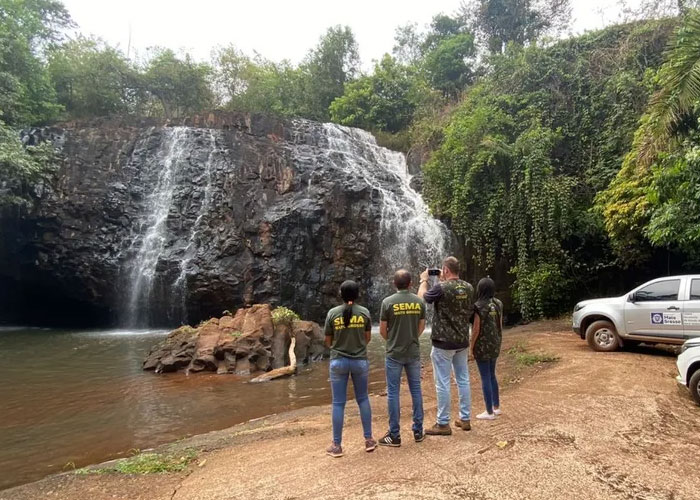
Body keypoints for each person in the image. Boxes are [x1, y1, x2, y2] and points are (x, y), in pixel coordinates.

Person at [418, 256, 474, 435]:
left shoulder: (441, 288)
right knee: (463, 379)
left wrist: (424, 280)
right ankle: (465, 418)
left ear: (446, 270)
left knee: (442, 382)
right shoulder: (469, 287)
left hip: (443, 342)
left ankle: (443, 423)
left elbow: (421, 299)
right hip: (462, 340)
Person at [324, 280, 376, 458]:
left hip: (338, 362)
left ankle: (336, 446)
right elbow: (367, 338)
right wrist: (357, 346)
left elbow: (328, 341)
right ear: (357, 295)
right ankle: (369, 440)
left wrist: (339, 347)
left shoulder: (332, 313)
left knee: (338, 403)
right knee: (363, 399)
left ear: (341, 295)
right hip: (359, 361)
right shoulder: (364, 312)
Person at [378, 269, 426, 447]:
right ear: (411, 283)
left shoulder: (387, 302)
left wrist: (393, 341)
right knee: (416, 390)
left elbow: (382, 330)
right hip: (413, 352)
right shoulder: (419, 302)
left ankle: (395, 435)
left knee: (393, 393)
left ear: (394, 284)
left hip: (394, 354)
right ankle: (418, 431)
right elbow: (422, 326)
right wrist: (411, 338)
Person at [470, 277, 503, 420]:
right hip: (495, 343)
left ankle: (489, 412)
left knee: (485, 377)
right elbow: (499, 323)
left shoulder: (478, 306)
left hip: (482, 345)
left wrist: (471, 347)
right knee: (492, 375)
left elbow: (476, 329)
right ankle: (496, 407)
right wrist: (499, 339)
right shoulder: (498, 303)